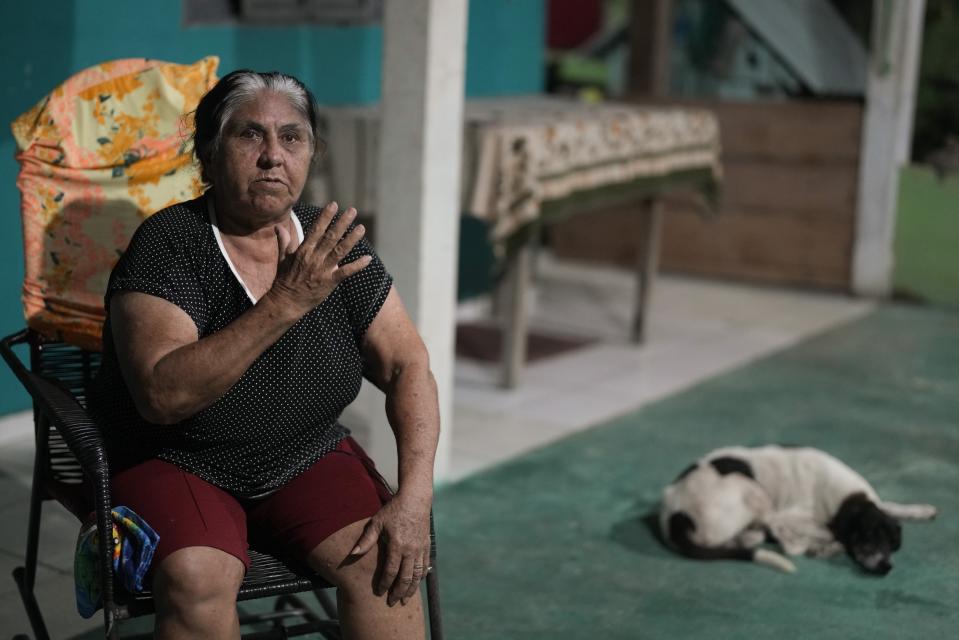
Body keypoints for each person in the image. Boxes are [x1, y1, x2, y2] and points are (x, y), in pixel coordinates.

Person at [87, 69, 439, 639]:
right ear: (208, 154)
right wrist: (286, 301)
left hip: (303, 450)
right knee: (197, 578)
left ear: (311, 153)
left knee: (384, 564)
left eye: (292, 137)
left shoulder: (335, 243)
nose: (273, 156)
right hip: (176, 457)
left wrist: (416, 494)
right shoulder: (170, 245)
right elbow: (163, 397)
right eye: (249, 135)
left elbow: (408, 364)